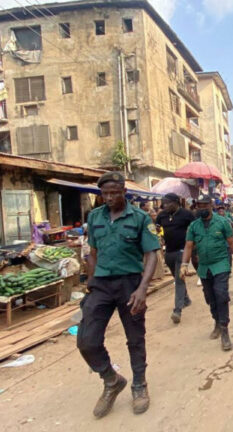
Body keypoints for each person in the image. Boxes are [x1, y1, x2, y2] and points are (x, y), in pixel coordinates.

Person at [76, 172, 161, 418]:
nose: (110, 197)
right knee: (87, 340)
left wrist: (142, 289)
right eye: (106, 193)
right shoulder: (94, 217)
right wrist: (91, 281)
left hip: (129, 284)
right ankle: (111, 380)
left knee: (135, 338)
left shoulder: (140, 218)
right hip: (101, 285)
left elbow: (151, 254)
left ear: (124, 191)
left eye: (115, 192)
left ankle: (139, 385)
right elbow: (91, 251)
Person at [180, 194, 233, 351]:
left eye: (204, 205)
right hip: (204, 267)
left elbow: (232, 243)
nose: (202, 208)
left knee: (221, 294)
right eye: (199, 205)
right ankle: (217, 321)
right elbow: (188, 246)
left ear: (211, 205)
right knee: (210, 298)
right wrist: (184, 264)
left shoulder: (222, 222)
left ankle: (224, 329)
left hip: (221, 264)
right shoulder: (194, 226)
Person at [155, 193, 196, 324]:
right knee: (176, 276)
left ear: (176, 202)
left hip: (182, 251)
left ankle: (177, 310)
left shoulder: (186, 214)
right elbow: (157, 228)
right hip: (169, 252)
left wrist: (194, 247)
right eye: (164, 203)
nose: (165, 206)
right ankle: (186, 298)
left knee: (179, 279)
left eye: (168, 203)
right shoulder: (162, 215)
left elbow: (196, 228)